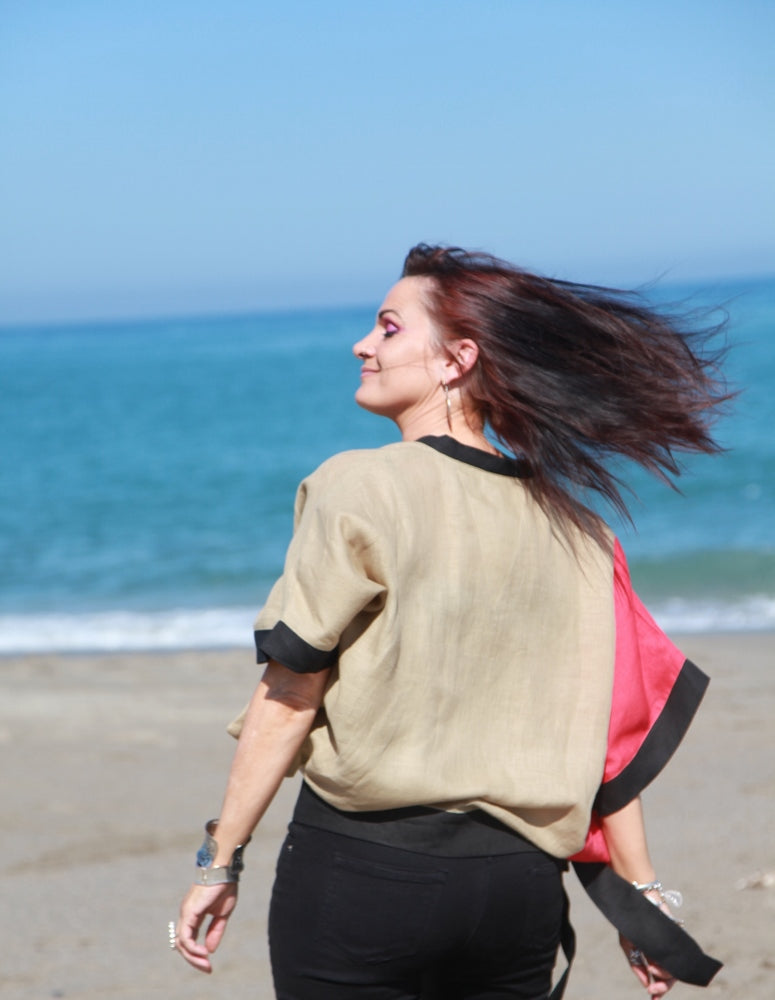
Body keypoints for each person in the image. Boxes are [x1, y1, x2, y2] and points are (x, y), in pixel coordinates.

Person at [173, 245, 725, 999]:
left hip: (364, 876)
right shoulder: (582, 530)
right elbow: (608, 739)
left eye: (389, 328)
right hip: (519, 893)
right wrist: (642, 900)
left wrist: (220, 859)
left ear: (455, 360)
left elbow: (289, 693)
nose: (362, 344)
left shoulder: (359, 485)